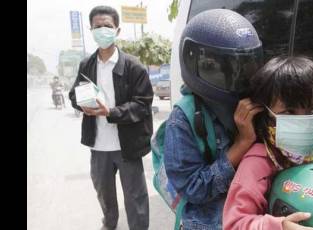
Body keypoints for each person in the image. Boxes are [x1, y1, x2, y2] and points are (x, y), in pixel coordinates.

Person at [163, 9, 264, 229]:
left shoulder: (254, 104)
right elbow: (192, 189)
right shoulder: (183, 118)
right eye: (222, 67)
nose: (238, 77)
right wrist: (241, 144)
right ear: (194, 62)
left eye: (244, 66)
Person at [223, 56, 313, 230]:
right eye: (289, 111)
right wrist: (281, 226)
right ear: (265, 114)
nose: (304, 121)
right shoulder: (258, 162)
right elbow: (235, 224)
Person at [68, 6, 153, 230]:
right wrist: (82, 103)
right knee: (105, 197)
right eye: (97, 27)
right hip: (98, 147)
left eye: (107, 26)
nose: (102, 30)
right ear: (90, 30)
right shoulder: (86, 64)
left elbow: (143, 104)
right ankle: (110, 225)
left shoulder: (134, 66)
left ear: (117, 30)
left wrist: (111, 112)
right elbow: (73, 94)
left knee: (136, 199)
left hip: (126, 146)